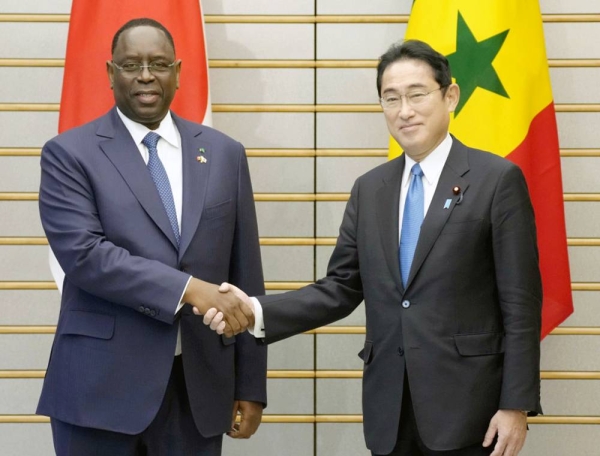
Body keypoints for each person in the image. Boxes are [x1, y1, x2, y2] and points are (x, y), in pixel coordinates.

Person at [205, 40, 543, 456]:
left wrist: (516, 405)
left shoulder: (496, 180)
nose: (404, 110)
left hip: (472, 411)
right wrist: (255, 311)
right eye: (391, 98)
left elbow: (521, 305)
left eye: (417, 94)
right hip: (390, 410)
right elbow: (341, 288)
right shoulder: (371, 189)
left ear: (450, 96)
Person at [37, 18, 266, 456]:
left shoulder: (224, 154)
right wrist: (189, 289)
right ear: (110, 73)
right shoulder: (69, 154)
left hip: (197, 391)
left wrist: (251, 384)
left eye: (159, 63)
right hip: (98, 392)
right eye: (131, 65)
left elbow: (245, 275)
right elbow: (86, 256)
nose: (145, 75)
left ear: (178, 72)